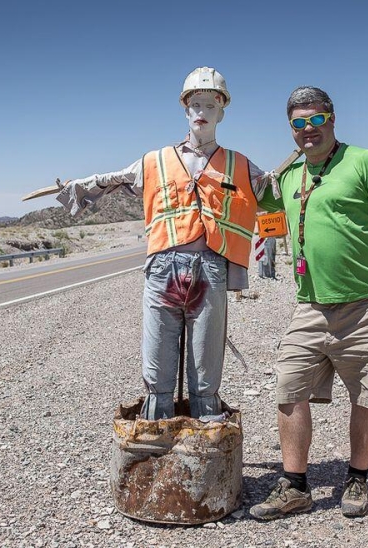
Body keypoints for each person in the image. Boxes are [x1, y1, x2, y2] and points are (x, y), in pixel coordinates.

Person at [56, 67, 275, 421]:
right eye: (196, 104)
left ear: (221, 111)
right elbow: (113, 179)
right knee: (157, 360)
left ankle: (206, 442)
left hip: (211, 268)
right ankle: (155, 440)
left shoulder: (241, 165)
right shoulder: (154, 160)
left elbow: (273, 190)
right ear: (185, 110)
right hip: (163, 269)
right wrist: (78, 187)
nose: (202, 112)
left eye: (210, 105)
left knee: (205, 364)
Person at [250, 86, 368, 519]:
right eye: (298, 124)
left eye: (316, 120)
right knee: (289, 387)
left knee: (367, 394)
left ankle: (358, 478)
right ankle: (295, 485)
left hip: (367, 305)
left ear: (332, 119)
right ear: (291, 129)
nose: (308, 130)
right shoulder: (289, 177)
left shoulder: (365, 163)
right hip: (311, 306)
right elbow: (255, 208)